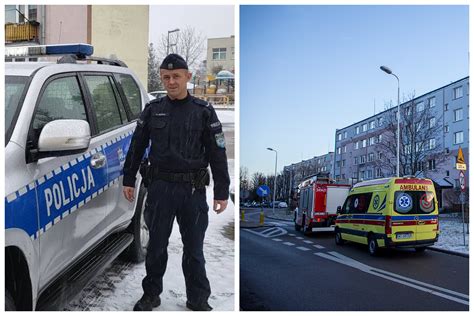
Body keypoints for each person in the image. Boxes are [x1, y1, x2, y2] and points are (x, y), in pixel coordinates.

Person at [122, 53, 230, 311]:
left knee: (194, 249)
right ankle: (151, 294)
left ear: (188, 77)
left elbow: (218, 152)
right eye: (166, 77)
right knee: (156, 246)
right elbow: (137, 146)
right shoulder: (153, 110)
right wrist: (129, 178)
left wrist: (222, 191)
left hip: (192, 191)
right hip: (159, 189)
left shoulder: (203, 112)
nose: (171, 82)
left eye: (176, 76)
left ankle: (198, 298)